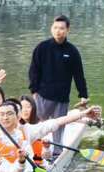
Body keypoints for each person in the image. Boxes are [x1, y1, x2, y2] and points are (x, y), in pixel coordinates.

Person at [28, 14, 89, 157]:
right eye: (55, 28)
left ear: (67, 30)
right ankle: (33, 152)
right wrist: (34, 90)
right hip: (42, 95)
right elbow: (33, 70)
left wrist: (83, 95)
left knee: (59, 127)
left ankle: (57, 153)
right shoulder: (42, 47)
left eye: (61, 28)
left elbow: (78, 74)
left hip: (62, 98)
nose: (58, 31)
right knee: (38, 125)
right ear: (51, 28)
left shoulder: (72, 51)